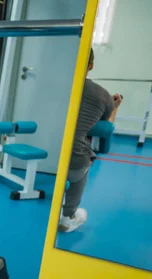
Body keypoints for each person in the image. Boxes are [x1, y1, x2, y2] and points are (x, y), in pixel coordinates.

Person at [59, 49, 122, 233]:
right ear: (91, 65)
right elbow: (105, 127)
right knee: (83, 164)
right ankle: (67, 216)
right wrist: (114, 106)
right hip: (73, 160)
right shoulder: (102, 95)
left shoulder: (59, 86)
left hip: (50, 156)